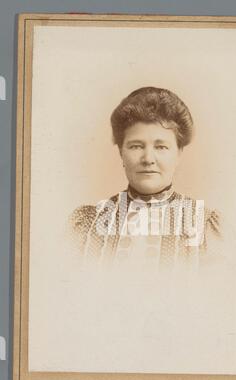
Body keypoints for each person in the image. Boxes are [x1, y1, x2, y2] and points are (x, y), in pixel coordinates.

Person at [69, 86, 220, 271]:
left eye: (161, 147)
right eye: (136, 146)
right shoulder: (87, 225)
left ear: (178, 153)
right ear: (121, 152)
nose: (148, 159)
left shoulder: (203, 225)